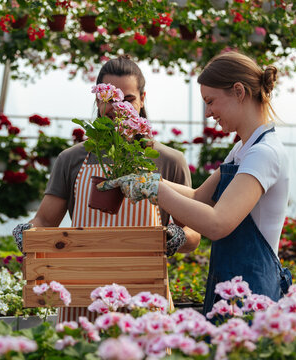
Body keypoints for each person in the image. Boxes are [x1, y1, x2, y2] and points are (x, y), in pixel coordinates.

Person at [98, 52, 292, 315]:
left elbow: (217, 223)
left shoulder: (264, 153)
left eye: (211, 101)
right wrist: (146, 180)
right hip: (232, 283)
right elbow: (200, 196)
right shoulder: (242, 149)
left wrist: (157, 189)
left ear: (238, 92)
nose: (209, 112)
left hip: (254, 288)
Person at [13, 55, 201, 321]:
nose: (118, 106)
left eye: (128, 99)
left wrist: (176, 238)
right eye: (110, 99)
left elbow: (192, 233)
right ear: (97, 99)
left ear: (142, 99)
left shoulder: (168, 161)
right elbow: (45, 219)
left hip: (146, 300)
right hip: (81, 297)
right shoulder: (72, 159)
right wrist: (28, 233)